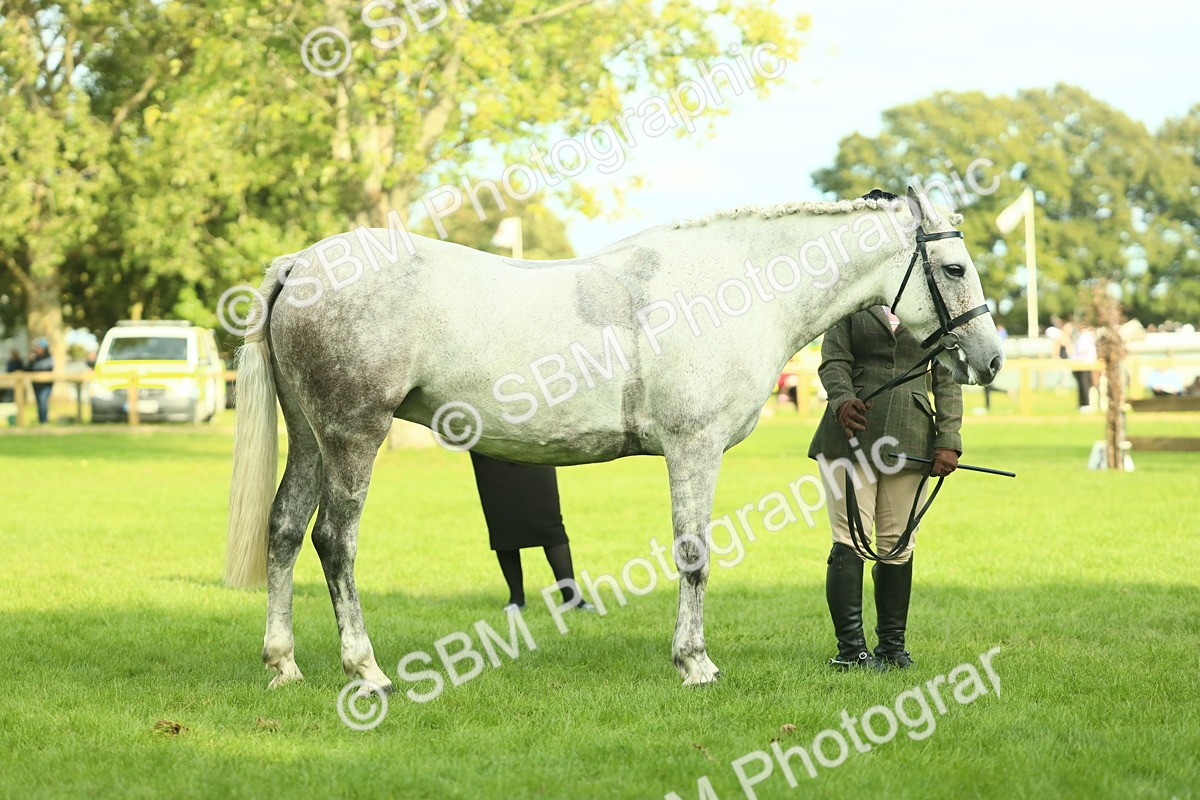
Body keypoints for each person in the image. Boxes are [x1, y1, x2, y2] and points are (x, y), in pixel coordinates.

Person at [808, 306, 962, 671]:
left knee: (898, 544)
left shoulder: (932, 308)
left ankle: (892, 648)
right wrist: (842, 399)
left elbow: (947, 379)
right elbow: (833, 360)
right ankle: (852, 652)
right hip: (850, 431)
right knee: (849, 539)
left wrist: (949, 439)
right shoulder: (852, 302)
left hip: (911, 435)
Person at [469, 451, 595, 612]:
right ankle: (516, 599)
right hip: (490, 450)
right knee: (502, 525)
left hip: (532, 445)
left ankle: (572, 598)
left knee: (550, 526)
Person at [27, 338, 54, 424]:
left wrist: (35, 365)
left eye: (39, 347)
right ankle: (41, 420)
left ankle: (44, 421)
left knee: (43, 400)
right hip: (36, 384)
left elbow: (48, 367)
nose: (38, 349)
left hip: (46, 384)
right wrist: (31, 361)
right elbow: (27, 369)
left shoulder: (49, 357)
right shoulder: (34, 358)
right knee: (39, 401)